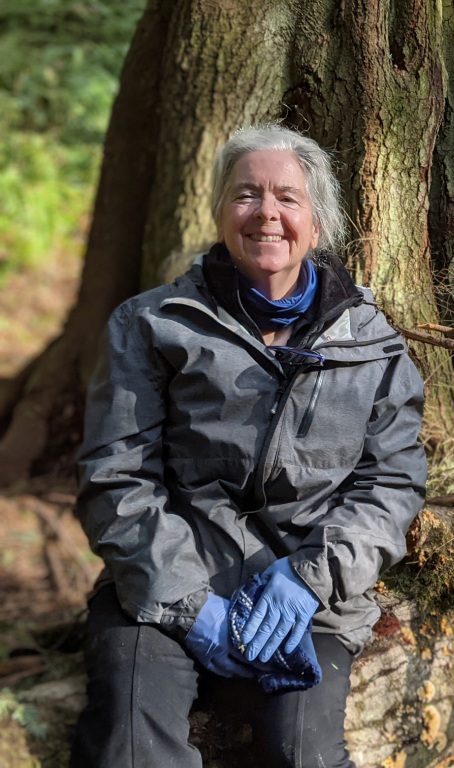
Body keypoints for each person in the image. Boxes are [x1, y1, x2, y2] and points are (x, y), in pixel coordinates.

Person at [71, 124, 427, 768]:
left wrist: (308, 579)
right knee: (129, 746)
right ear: (219, 214)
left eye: (288, 198)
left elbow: (393, 486)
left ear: (317, 225)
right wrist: (189, 604)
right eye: (246, 195)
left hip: (308, 602)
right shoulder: (151, 324)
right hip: (160, 587)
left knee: (301, 753)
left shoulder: (373, 346)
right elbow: (115, 479)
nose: (267, 212)